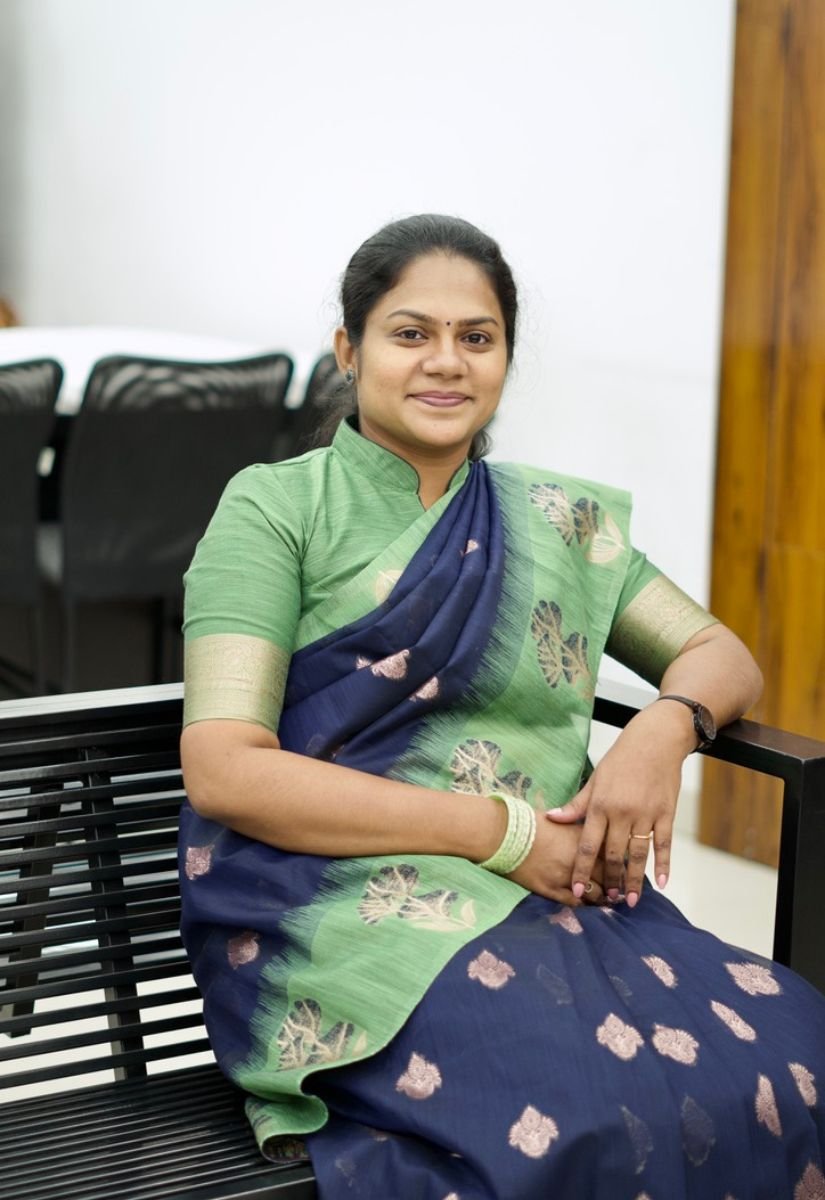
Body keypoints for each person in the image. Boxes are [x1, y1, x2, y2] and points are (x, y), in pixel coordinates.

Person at [178, 214, 825, 1200]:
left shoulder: (554, 523)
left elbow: (718, 655)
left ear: (506, 359)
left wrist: (662, 730)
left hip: (550, 900)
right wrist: (506, 832)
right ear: (349, 350)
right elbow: (225, 767)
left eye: (476, 337)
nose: (446, 361)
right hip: (335, 906)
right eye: (410, 333)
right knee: (582, 1112)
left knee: (793, 1056)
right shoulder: (276, 511)